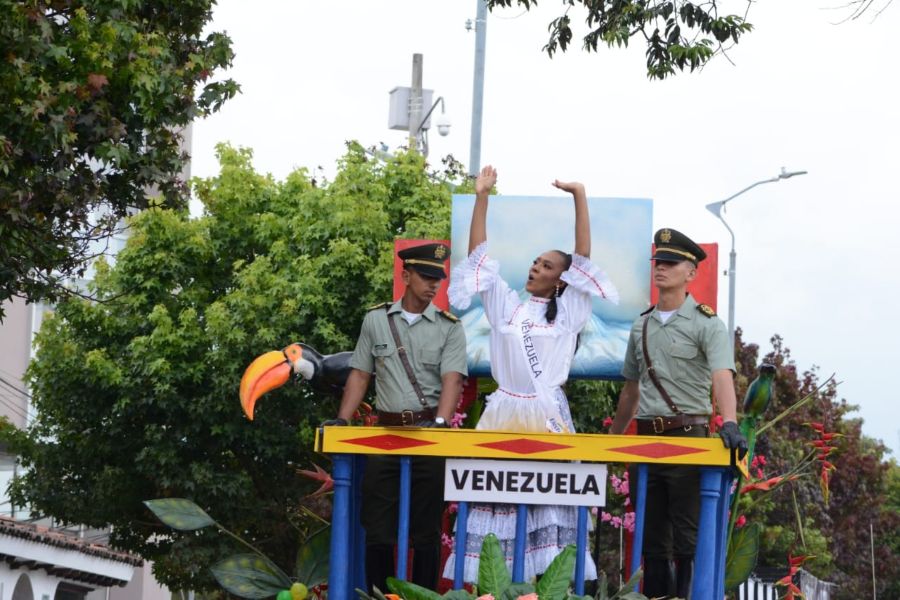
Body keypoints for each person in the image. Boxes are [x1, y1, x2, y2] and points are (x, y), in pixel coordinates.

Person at [443, 165, 619, 583]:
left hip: (548, 416)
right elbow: (479, 259)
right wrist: (482, 196)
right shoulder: (507, 307)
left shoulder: (569, 313)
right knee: (493, 504)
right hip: (503, 411)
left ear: (562, 280)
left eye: (545, 266)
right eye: (535, 262)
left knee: (548, 507)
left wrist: (579, 195)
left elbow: (583, 257)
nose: (535, 268)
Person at [608, 228, 748, 599]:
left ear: (691, 272)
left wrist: (730, 421)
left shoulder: (706, 324)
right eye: (658, 262)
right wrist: (611, 442)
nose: (661, 269)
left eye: (671, 263)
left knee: (688, 537)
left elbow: (722, 376)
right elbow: (631, 390)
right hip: (645, 437)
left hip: (688, 438)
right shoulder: (641, 325)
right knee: (651, 537)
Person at [323, 242, 468, 593]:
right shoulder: (376, 320)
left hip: (428, 432)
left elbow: (453, 379)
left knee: (427, 527)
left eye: (438, 278)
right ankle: (379, 594)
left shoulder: (449, 327)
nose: (433, 284)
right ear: (406, 275)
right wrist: (342, 420)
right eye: (426, 276)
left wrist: (441, 424)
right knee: (378, 525)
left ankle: (423, 596)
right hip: (385, 432)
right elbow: (360, 374)